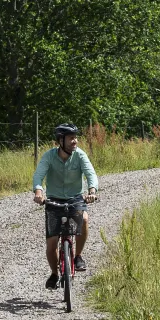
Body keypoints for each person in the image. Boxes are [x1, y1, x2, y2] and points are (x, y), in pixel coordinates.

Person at [31, 123, 97, 289]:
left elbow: (91, 174)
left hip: (75, 198)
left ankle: (78, 256)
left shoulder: (80, 155)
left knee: (85, 219)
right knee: (52, 242)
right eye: (71, 138)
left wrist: (92, 190)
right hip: (53, 199)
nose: (75, 141)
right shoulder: (49, 156)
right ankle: (54, 273)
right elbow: (38, 176)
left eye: (75, 137)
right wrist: (38, 192)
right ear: (61, 140)